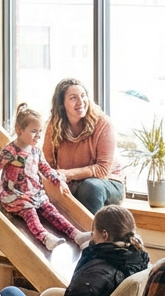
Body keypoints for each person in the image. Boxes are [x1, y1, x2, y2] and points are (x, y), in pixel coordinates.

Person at [0, 204, 149, 296]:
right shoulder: (136, 261)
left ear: (105, 235)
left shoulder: (101, 271)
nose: (91, 236)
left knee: (9, 293)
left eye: (93, 231)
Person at [0, 103, 90, 251]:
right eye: (34, 131)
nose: (38, 136)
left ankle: (76, 235)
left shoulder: (36, 151)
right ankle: (45, 237)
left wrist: (59, 180)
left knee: (50, 210)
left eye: (40, 132)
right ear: (19, 130)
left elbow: (45, 169)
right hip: (15, 196)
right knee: (30, 213)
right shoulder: (10, 150)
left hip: (35, 193)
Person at [44, 77, 125, 212]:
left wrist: (66, 174)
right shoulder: (54, 127)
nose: (81, 102)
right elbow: (47, 165)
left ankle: (92, 232)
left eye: (83, 96)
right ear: (62, 104)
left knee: (89, 187)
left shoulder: (102, 123)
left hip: (108, 182)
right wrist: (57, 180)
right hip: (72, 183)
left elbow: (102, 170)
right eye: (73, 98)